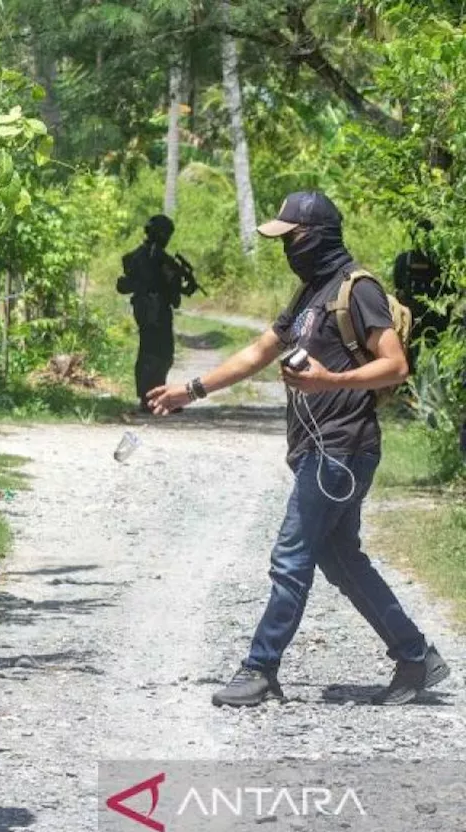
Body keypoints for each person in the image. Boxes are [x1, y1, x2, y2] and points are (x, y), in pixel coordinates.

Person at [147, 190, 450, 708]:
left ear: (316, 236)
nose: (286, 246)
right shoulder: (309, 294)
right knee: (340, 559)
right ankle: (416, 655)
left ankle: (261, 667)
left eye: (291, 237)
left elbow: (396, 364)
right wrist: (191, 390)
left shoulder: (359, 290)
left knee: (291, 557)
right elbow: (258, 352)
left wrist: (330, 380)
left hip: (343, 448)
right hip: (318, 449)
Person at [117, 214, 201, 410]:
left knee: (160, 352)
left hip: (153, 308)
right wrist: (179, 284)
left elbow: (166, 285)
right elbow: (156, 282)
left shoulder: (153, 256)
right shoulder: (149, 256)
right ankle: (150, 399)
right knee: (155, 353)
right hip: (152, 309)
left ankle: (156, 397)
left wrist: (182, 285)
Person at [392, 219, 450, 372]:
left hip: (423, 317)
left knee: (426, 358)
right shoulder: (439, 261)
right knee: (431, 357)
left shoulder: (404, 260)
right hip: (424, 317)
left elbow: (398, 287)